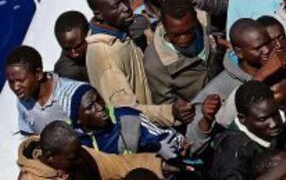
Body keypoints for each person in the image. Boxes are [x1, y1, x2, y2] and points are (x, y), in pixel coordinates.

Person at [84, 0, 186, 127]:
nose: (126, 8)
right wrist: (170, 113)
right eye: (115, 7)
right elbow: (128, 112)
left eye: (124, 0)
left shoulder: (118, 31)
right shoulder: (106, 58)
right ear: (99, 15)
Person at [187, 18, 286, 155]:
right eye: (258, 48)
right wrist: (262, 75)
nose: (266, 50)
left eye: (267, 43)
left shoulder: (280, 66)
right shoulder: (218, 89)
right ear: (239, 52)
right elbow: (191, 146)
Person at [68, 85, 184, 160]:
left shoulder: (127, 118)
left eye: (99, 99)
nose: (99, 107)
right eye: (90, 106)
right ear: (78, 119)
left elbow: (165, 138)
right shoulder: (74, 142)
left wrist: (171, 145)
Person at [16, 121, 163, 180]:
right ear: (50, 158)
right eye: (73, 159)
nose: (80, 160)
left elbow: (117, 164)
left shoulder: (76, 153)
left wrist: (161, 165)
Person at [144, 0, 222, 105]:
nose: (184, 39)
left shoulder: (205, 23)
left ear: (195, 18)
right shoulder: (155, 61)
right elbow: (166, 104)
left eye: (189, 31)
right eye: (175, 35)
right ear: (164, 26)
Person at [209, 81, 285, 180]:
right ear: (242, 119)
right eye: (263, 119)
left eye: (275, 114)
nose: (274, 123)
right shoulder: (234, 149)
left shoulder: (284, 120)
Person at [6, 46, 86, 135]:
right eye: (11, 82)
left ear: (38, 74)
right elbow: (29, 134)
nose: (15, 87)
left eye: (21, 80)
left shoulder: (72, 93)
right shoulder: (22, 100)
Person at [53, 11, 90, 82]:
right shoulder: (67, 72)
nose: (74, 54)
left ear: (88, 34)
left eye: (78, 46)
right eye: (67, 49)